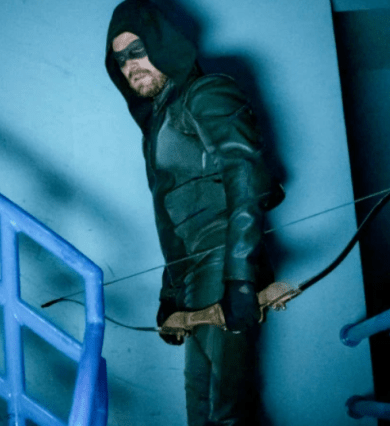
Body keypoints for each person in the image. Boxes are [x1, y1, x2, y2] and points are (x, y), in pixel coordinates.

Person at [105, 1, 284, 424]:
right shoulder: (157, 125)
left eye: (137, 51)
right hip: (195, 281)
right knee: (199, 409)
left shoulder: (205, 93)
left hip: (224, 264)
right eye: (120, 60)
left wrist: (240, 278)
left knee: (227, 412)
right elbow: (174, 218)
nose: (130, 66)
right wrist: (170, 295)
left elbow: (246, 173)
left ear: (163, 45)